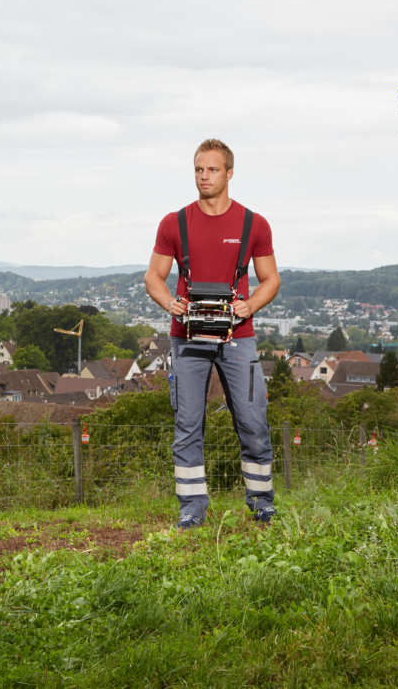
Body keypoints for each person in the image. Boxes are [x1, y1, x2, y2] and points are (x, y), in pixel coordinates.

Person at [144, 138, 280, 529]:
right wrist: (169, 301)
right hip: (186, 338)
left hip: (239, 336)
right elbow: (154, 276)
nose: (205, 176)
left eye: (213, 169)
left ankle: (262, 502)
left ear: (230, 173)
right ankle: (191, 507)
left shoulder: (254, 224)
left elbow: (271, 280)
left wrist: (249, 305)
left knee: (253, 420)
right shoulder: (175, 223)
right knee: (188, 424)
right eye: (199, 170)